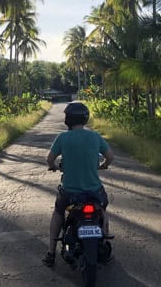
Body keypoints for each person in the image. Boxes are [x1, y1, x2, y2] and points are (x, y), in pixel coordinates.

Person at [43, 102, 114, 267]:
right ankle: (103, 240)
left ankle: (51, 252)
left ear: (67, 119)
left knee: (59, 212)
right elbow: (110, 157)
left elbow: (49, 159)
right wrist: (104, 165)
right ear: (85, 118)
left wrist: (53, 166)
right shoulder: (95, 136)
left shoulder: (63, 137)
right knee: (102, 209)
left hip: (70, 193)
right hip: (94, 192)